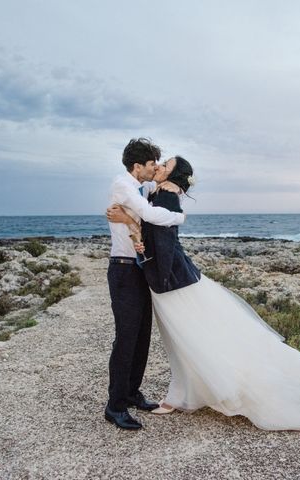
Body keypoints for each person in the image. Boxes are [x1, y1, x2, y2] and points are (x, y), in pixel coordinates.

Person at [108, 156, 300, 433]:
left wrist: (140, 243)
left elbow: (164, 244)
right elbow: (155, 232)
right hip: (172, 278)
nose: (159, 166)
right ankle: (178, 393)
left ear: (174, 175)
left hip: (172, 282)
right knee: (195, 337)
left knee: (195, 338)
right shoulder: (160, 193)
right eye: (158, 163)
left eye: (166, 165)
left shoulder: (167, 197)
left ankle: (186, 394)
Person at [104, 138, 186, 431]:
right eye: (151, 164)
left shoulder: (142, 185)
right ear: (137, 166)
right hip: (123, 269)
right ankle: (115, 407)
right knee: (126, 339)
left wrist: (174, 185)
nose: (155, 169)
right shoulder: (123, 185)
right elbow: (151, 215)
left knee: (141, 337)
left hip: (139, 270)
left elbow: (164, 186)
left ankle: (131, 393)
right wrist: (180, 217)